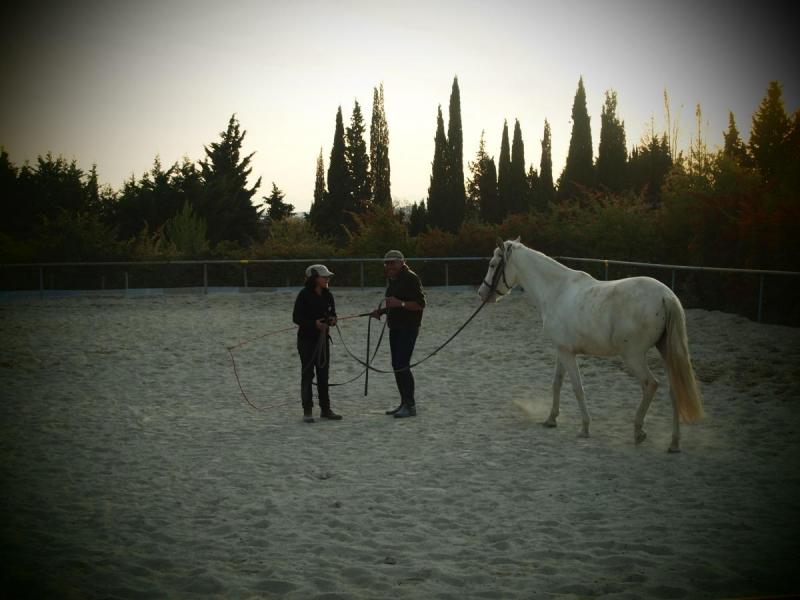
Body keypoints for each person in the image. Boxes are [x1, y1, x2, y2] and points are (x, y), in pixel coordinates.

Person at [371, 250, 426, 418]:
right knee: (396, 365)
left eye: (393, 262)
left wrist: (400, 303)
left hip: (408, 327)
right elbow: (394, 305)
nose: (389, 266)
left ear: (402, 262)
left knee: (402, 364)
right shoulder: (393, 280)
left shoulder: (410, 278)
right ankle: (404, 403)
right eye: (387, 263)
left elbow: (420, 304)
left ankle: (410, 405)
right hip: (395, 327)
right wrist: (381, 312)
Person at [292, 264, 342, 423]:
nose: (327, 279)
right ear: (314, 278)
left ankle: (326, 410)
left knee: (323, 375)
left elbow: (333, 314)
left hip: (323, 341)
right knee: (307, 374)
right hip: (306, 341)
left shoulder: (328, 295)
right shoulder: (303, 295)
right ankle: (307, 411)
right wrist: (314, 324)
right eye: (324, 276)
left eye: (328, 276)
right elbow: (296, 318)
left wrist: (333, 320)